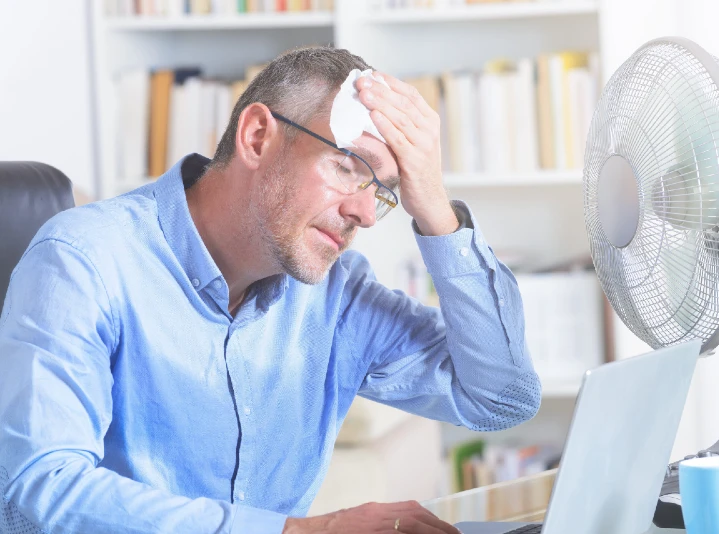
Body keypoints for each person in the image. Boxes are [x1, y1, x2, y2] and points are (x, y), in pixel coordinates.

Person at [0, 46, 541, 534]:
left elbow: (501, 400)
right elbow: (48, 482)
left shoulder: (338, 296)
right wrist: (299, 533)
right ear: (258, 137)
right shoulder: (84, 258)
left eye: (383, 192)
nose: (365, 213)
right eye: (349, 167)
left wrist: (436, 210)